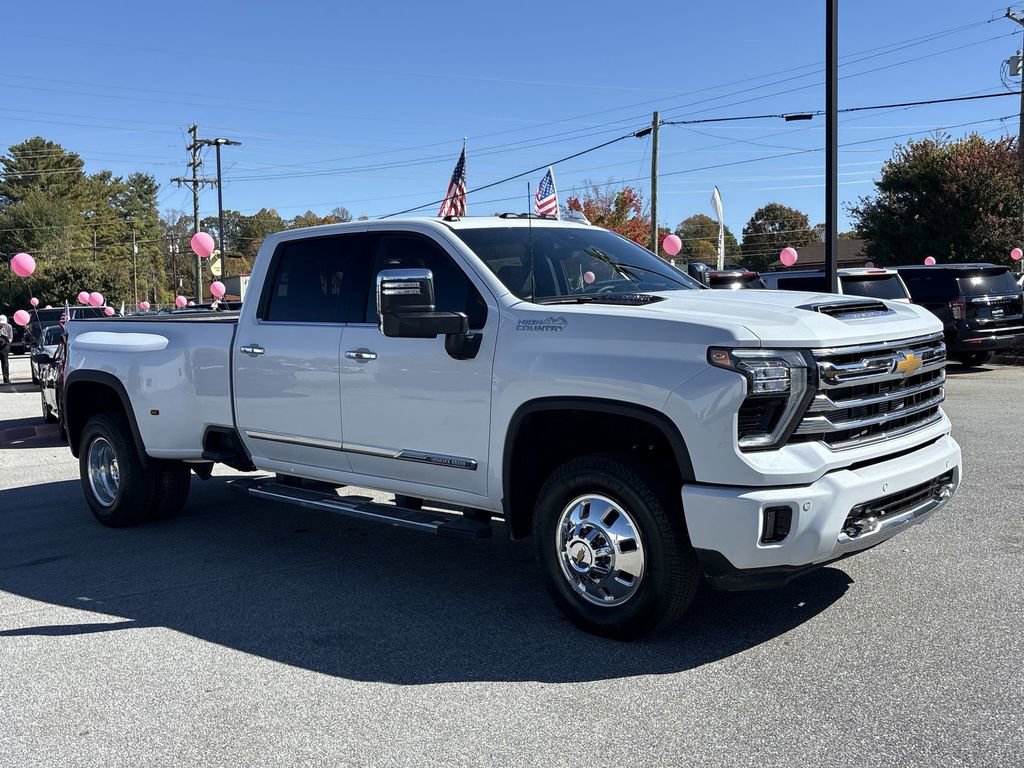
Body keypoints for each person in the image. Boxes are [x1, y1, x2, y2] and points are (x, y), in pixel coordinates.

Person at [0, 314, 12, 384]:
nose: (2, 325)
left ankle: (6, 379)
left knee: (5, 361)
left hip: (5, 345)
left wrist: (6, 340)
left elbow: (10, 337)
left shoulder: (9, 327)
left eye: (3, 324)